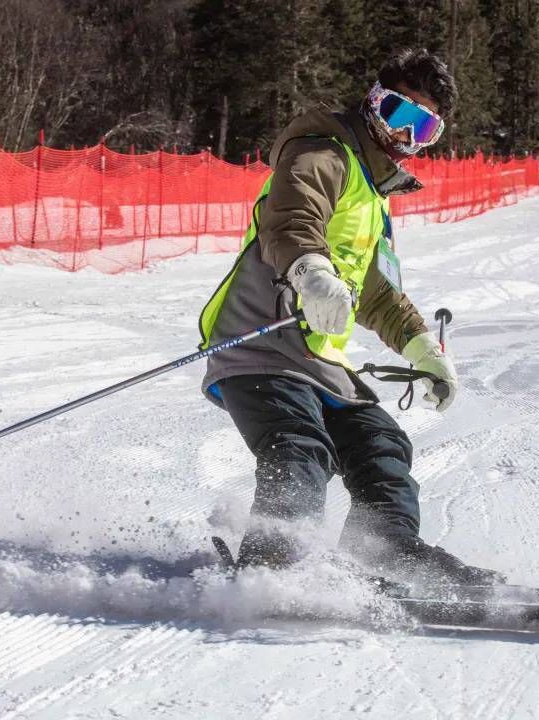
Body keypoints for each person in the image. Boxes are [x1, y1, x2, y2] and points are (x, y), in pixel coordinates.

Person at [196, 49, 503, 585]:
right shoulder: (322, 153)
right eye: (398, 113)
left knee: (382, 447)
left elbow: (376, 293)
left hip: (320, 359)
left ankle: (384, 550)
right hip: (258, 344)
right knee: (299, 446)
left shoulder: (374, 196)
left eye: (422, 127)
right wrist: (311, 272)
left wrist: (423, 350)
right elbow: (291, 221)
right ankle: (272, 567)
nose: (403, 135)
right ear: (372, 101)